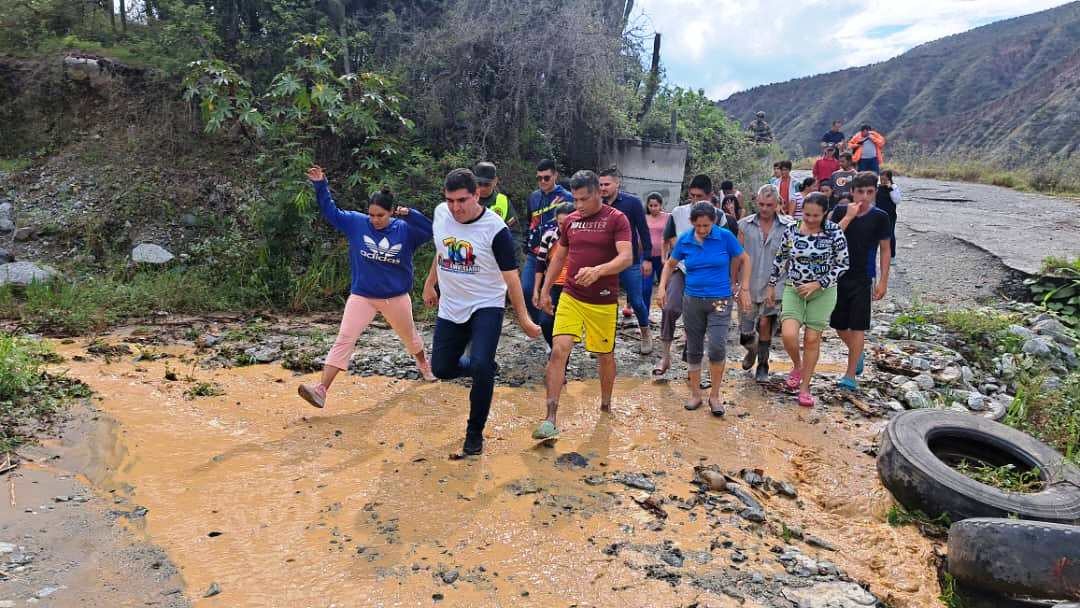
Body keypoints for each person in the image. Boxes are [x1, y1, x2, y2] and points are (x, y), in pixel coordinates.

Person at [423, 168, 542, 456]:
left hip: (486, 304)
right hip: (451, 305)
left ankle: (474, 433)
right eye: (450, 200)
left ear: (478, 195)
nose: (455, 207)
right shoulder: (441, 214)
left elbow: (511, 278)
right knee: (441, 368)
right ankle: (483, 367)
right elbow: (441, 251)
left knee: (480, 364)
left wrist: (524, 318)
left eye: (462, 200)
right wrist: (430, 284)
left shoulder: (495, 229)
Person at [298, 166, 436, 409]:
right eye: (371, 215)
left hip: (395, 297)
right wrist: (321, 185)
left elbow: (432, 232)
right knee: (345, 338)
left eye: (380, 215)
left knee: (410, 337)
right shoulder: (356, 223)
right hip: (362, 296)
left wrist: (411, 214)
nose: (374, 220)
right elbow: (331, 213)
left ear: (392, 212)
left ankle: (423, 363)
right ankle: (321, 389)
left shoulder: (405, 230)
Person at [534, 171, 632, 440]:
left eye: (584, 199)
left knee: (604, 356)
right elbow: (558, 258)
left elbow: (626, 257)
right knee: (558, 351)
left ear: (599, 192)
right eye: (575, 199)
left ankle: (605, 405)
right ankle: (550, 418)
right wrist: (544, 290)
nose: (578, 205)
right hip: (571, 296)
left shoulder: (616, 219)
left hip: (602, 301)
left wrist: (599, 270)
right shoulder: (571, 222)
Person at [659, 202, 750, 415]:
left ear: (713, 222)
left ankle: (715, 396)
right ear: (692, 223)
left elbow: (745, 259)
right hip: (692, 301)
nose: (702, 230)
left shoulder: (724, 236)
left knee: (717, 346)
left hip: (719, 300)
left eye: (706, 226)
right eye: (698, 225)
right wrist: (662, 287)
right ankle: (695, 394)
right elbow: (670, 265)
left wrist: (744, 287)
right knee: (694, 347)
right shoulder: (685, 239)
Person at [766, 193, 850, 407]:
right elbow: (780, 257)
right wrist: (771, 284)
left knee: (812, 339)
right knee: (788, 334)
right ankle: (797, 365)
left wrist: (818, 284)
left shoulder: (834, 232)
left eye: (816, 215)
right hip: (794, 288)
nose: (810, 219)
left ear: (824, 214)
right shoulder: (792, 229)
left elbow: (843, 264)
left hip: (822, 292)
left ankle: (804, 387)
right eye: (807, 214)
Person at [655, 175, 738, 377]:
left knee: (705, 321)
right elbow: (668, 238)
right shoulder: (678, 212)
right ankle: (665, 356)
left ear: (710, 196)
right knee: (670, 307)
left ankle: (694, 364)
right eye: (691, 195)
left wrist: (733, 282)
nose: (694, 201)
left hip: (712, 280)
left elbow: (733, 252)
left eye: (699, 196)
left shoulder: (721, 217)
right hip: (683, 269)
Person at [829, 172, 892, 392]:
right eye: (860, 192)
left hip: (863, 277)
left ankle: (849, 375)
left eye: (869, 192)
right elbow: (827, 239)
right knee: (837, 324)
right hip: (837, 275)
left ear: (875, 193)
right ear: (852, 192)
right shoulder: (839, 211)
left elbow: (885, 249)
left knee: (858, 326)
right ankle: (859, 352)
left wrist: (883, 280)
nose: (864, 196)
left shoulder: (880, 217)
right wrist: (848, 216)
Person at [738, 184, 794, 382]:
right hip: (748, 285)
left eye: (769, 204)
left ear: (778, 203)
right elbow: (737, 256)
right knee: (745, 333)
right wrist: (734, 284)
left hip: (775, 285)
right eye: (761, 204)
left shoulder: (789, 226)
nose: (764, 209)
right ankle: (751, 351)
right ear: (756, 202)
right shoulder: (744, 225)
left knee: (765, 323)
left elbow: (792, 257)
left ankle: (763, 364)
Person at [599, 167, 654, 354]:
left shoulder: (632, 203)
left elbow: (643, 230)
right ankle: (605, 339)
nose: (603, 188)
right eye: (600, 184)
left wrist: (647, 258)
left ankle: (645, 334)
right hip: (606, 260)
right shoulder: (598, 203)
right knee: (606, 299)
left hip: (630, 260)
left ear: (617, 184)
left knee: (637, 301)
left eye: (607, 184)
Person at [522, 159, 574, 324]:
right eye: (539, 178)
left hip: (557, 254)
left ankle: (553, 331)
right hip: (535, 253)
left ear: (555, 176)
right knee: (527, 290)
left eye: (546, 177)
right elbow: (529, 220)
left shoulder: (568, 198)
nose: (542, 182)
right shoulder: (533, 197)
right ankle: (541, 326)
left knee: (554, 295)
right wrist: (526, 242)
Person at [534, 203, 576, 347]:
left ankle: (561, 357)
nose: (564, 227)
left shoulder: (581, 238)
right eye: (560, 223)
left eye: (567, 223)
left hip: (573, 287)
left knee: (565, 326)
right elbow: (539, 264)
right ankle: (554, 349)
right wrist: (536, 290)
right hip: (553, 284)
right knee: (545, 321)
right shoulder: (549, 236)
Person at [642, 193, 669, 323]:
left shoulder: (668, 217)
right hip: (647, 258)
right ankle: (645, 317)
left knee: (665, 288)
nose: (653, 208)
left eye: (656, 205)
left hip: (662, 258)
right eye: (651, 205)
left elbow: (671, 236)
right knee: (646, 288)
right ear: (647, 206)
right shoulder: (643, 218)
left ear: (660, 205)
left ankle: (666, 315)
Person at [474, 161, 518, 230]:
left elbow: (515, 232)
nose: (482, 188)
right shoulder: (465, 199)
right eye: (479, 183)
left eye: (486, 184)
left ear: (495, 181)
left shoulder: (504, 202)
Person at [875, 170, 901, 259]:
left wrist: (890, 189)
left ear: (889, 179)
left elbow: (897, 200)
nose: (882, 181)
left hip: (890, 215)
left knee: (890, 235)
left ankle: (892, 255)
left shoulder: (893, 187)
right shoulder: (878, 187)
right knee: (876, 235)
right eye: (881, 179)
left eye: (884, 179)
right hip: (878, 215)